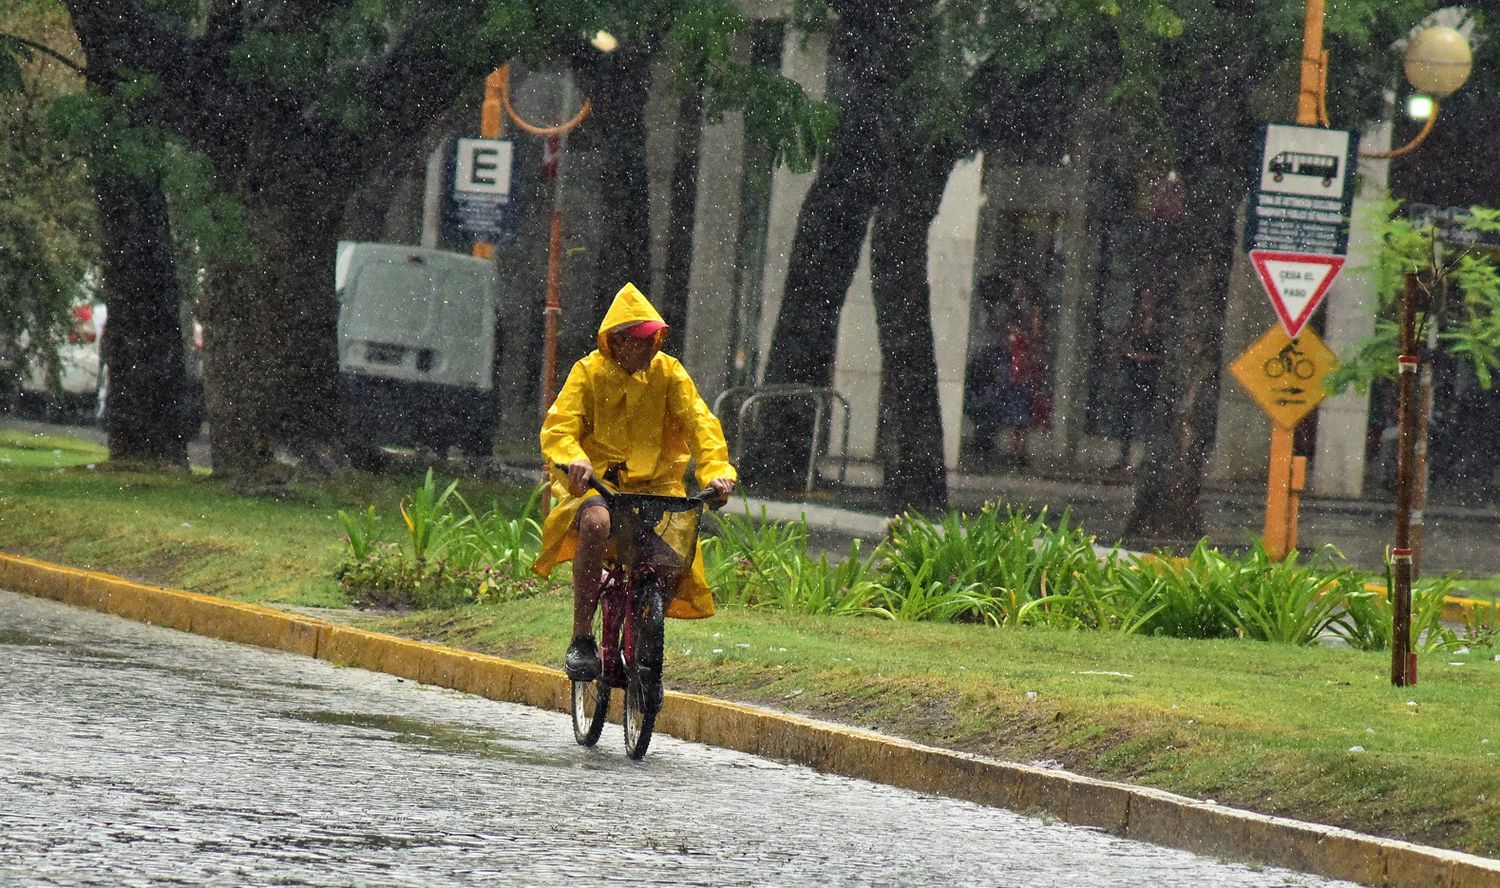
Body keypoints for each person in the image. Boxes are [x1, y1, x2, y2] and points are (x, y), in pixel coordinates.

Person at [532, 282, 738, 682]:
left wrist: (716, 473)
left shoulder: (669, 373)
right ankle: (581, 640)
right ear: (618, 342)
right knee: (595, 525)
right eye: (642, 340)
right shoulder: (587, 373)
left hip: (657, 489)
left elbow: (702, 426)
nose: (651, 347)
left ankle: (646, 636)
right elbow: (559, 427)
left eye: (655, 339)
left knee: (665, 556)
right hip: (598, 486)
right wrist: (574, 459)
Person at [1112, 287, 1163, 474]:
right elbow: (1124, 345)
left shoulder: (1159, 327)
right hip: (1132, 374)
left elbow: (1162, 354)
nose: (1145, 304)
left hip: (1147, 376)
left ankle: (1143, 460)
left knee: (1144, 419)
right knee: (1126, 416)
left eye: (1148, 300)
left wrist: (1144, 357)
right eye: (1143, 300)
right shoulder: (1135, 324)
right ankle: (1124, 457)